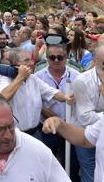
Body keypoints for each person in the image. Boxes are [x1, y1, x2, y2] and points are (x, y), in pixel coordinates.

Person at [69, 44, 104, 182]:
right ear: (95, 59)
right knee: (90, 175)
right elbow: (85, 117)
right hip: (85, 134)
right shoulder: (82, 80)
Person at [0, 48, 71, 137]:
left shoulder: (33, 78)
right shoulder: (5, 79)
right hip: (15, 135)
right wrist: (20, 77)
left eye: (31, 59)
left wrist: (67, 97)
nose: (31, 63)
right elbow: (2, 98)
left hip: (36, 133)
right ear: (15, 63)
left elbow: (52, 92)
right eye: (26, 60)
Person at [34, 42, 80, 170]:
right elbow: (37, 103)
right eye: (51, 57)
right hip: (47, 127)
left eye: (60, 57)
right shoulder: (38, 77)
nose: (56, 60)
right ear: (46, 58)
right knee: (48, 164)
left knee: (71, 166)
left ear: (67, 57)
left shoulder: (77, 76)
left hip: (70, 126)